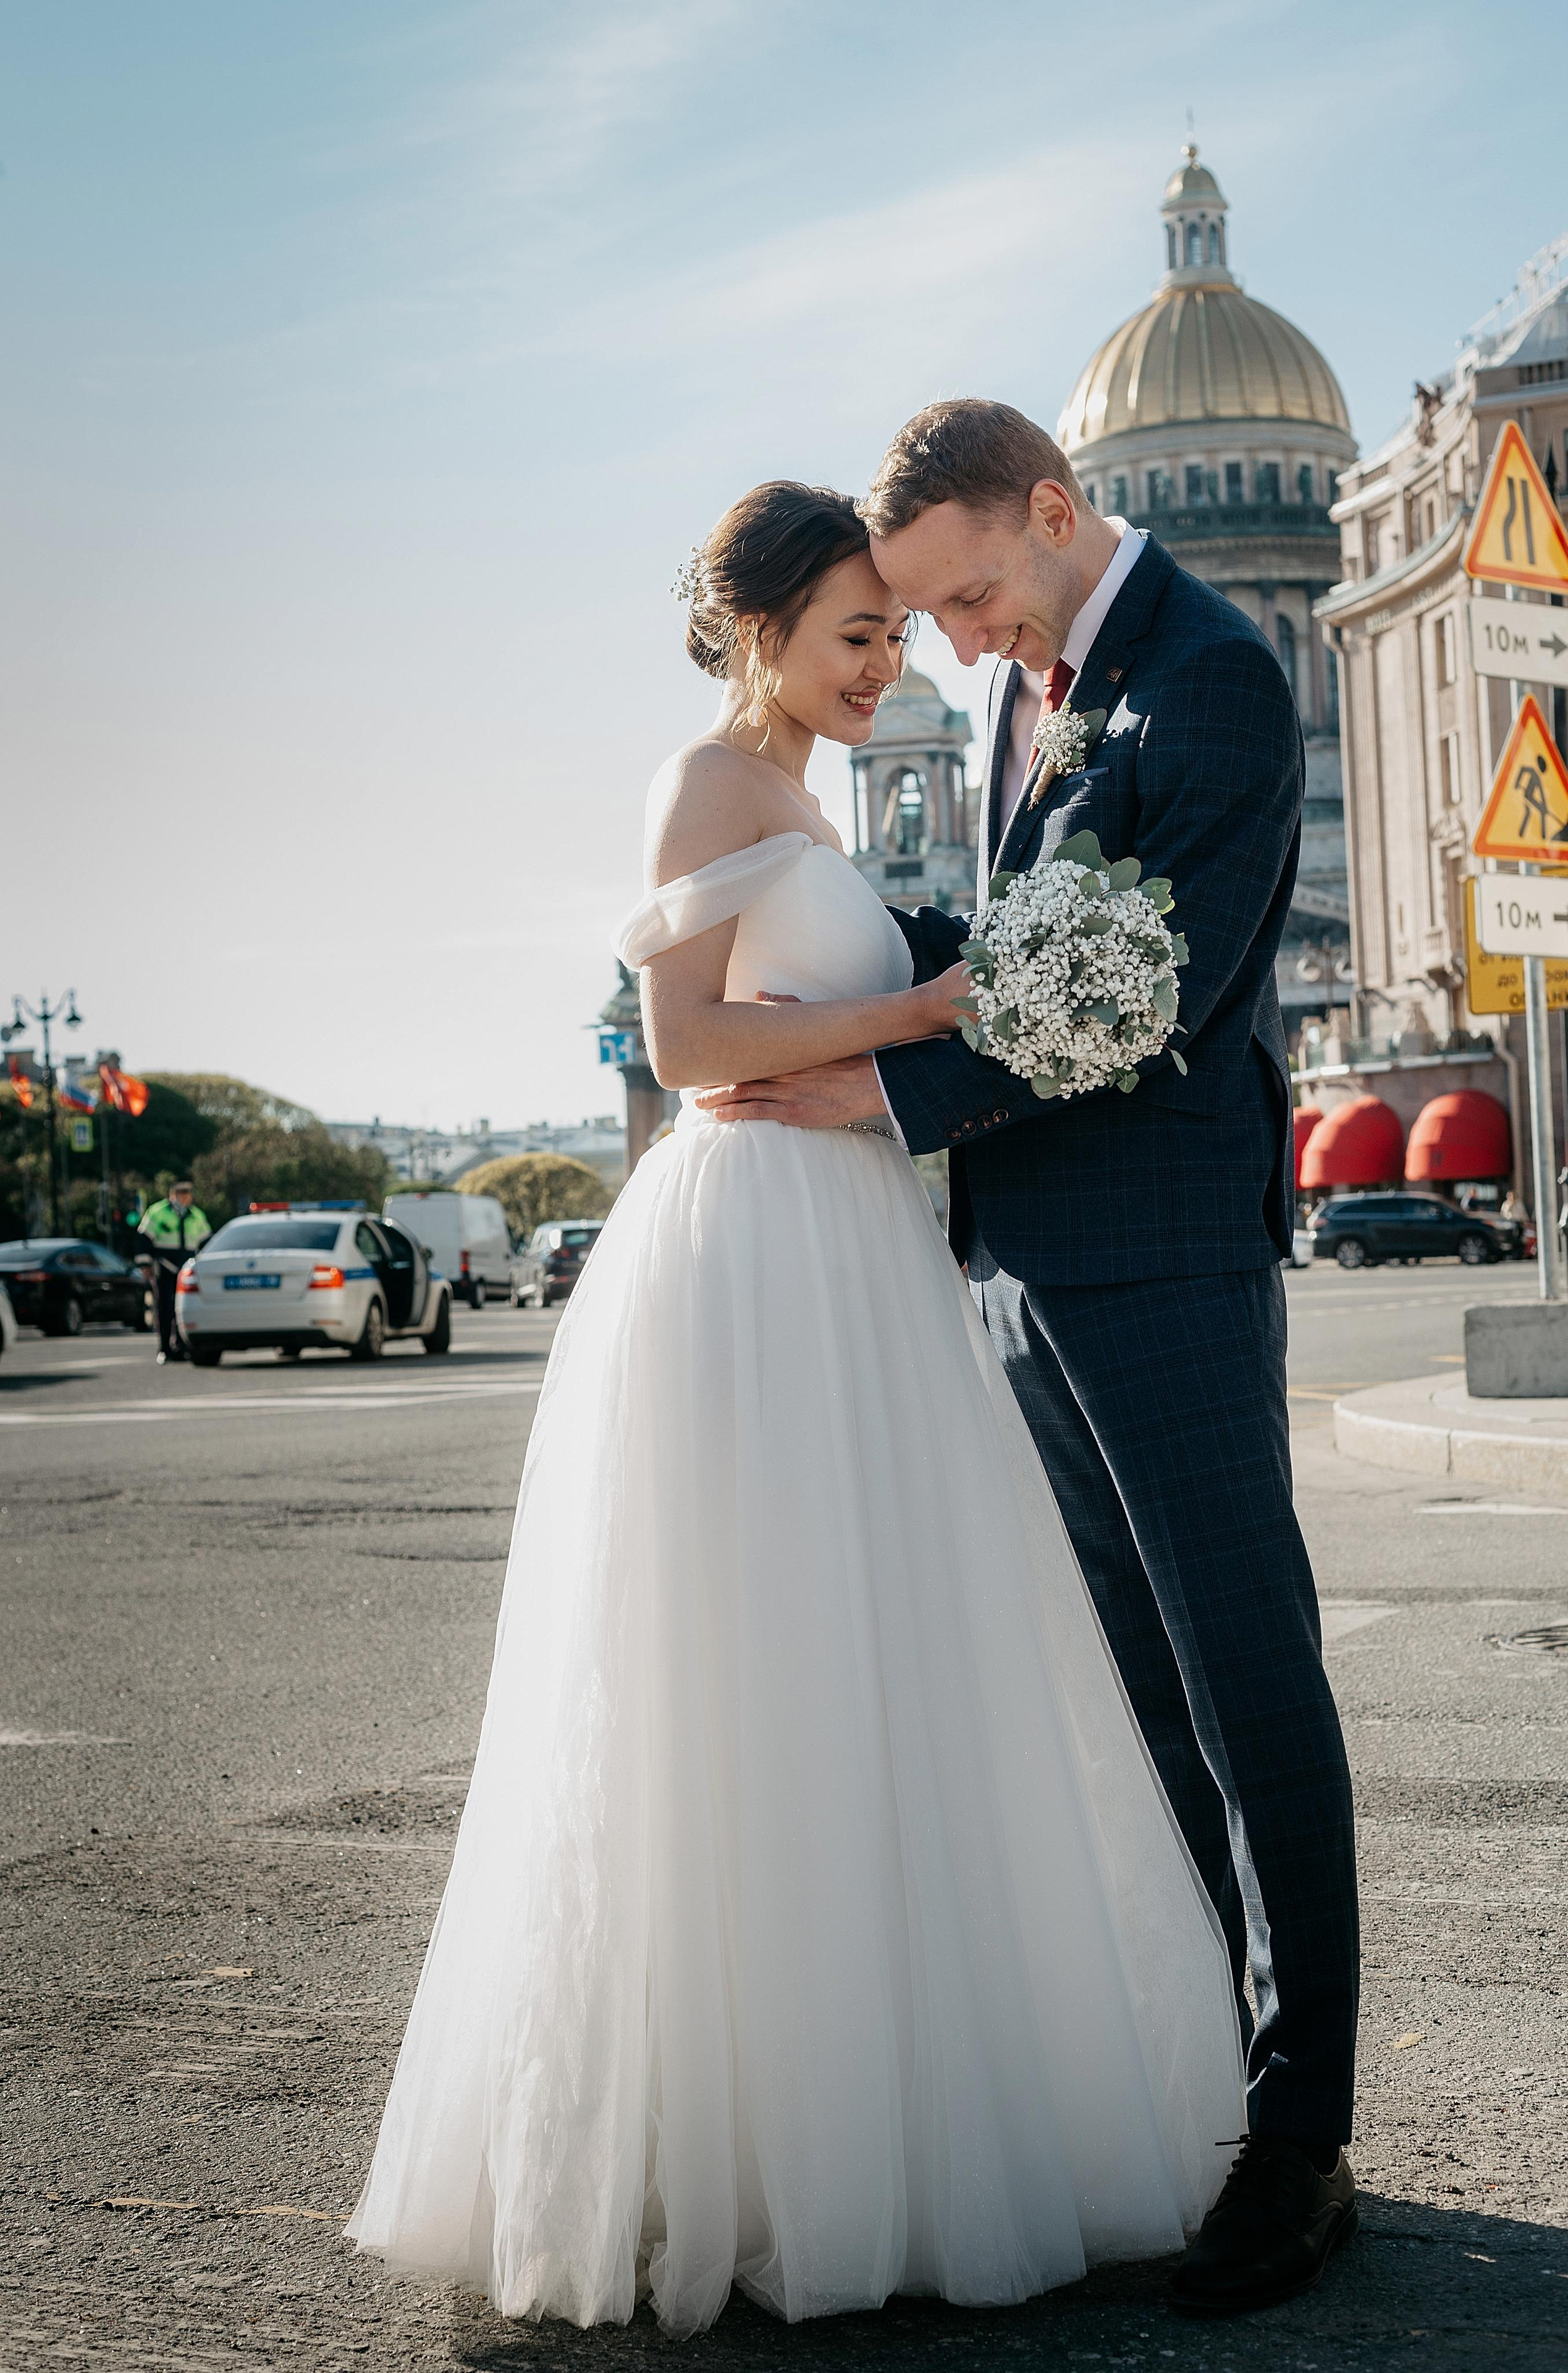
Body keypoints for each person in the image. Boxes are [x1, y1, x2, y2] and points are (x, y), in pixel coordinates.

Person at [348, 482, 1247, 2335]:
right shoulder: (706, 783)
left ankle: (879, 2118)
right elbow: (684, 1049)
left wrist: (921, 1022)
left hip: (841, 1247)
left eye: (899, 633)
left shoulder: (803, 797)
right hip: (747, 1251)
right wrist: (923, 1013)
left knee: (875, 1667)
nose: (887, 663)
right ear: (758, 631)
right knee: (749, 1674)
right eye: (856, 633)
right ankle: (752, 2148)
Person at [699, 402, 1360, 2316]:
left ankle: (1301, 2132)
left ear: (1058, 510)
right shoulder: (1030, 688)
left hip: (1156, 1260)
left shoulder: (1215, 683)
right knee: (1140, 1697)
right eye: (925, 616)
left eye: (975, 593)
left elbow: (1153, 993)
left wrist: (876, 1085)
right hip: (1018, 1270)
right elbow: (1012, 942)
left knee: (1245, 1690)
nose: (964, 642)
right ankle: (1205, 2093)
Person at [137, 1180, 211, 1364]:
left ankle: (181, 1346)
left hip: (187, 1269)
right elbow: (144, 1239)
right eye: (180, 1193)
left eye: (187, 1193)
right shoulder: (158, 1212)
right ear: (172, 1194)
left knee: (182, 1309)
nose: (185, 1197)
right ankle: (164, 1348)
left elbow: (206, 1241)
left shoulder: (196, 1215)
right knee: (164, 1307)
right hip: (165, 1266)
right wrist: (145, 1264)